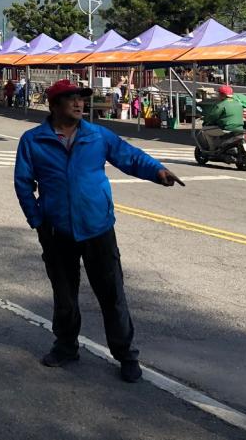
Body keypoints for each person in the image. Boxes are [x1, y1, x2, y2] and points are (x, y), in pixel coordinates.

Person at [14, 79, 182, 383]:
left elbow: (128, 156)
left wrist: (157, 171)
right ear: (53, 105)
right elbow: (23, 184)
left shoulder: (97, 135)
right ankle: (66, 346)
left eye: (81, 98)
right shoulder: (33, 140)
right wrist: (37, 221)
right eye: (70, 99)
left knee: (112, 294)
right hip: (56, 231)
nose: (79, 104)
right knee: (64, 295)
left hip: (98, 228)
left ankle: (126, 355)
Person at [200, 85, 244, 151]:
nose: (218, 95)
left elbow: (213, 116)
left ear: (222, 95)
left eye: (219, 94)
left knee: (205, 131)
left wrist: (206, 119)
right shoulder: (239, 104)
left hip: (226, 128)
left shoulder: (221, 105)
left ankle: (212, 149)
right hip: (240, 129)